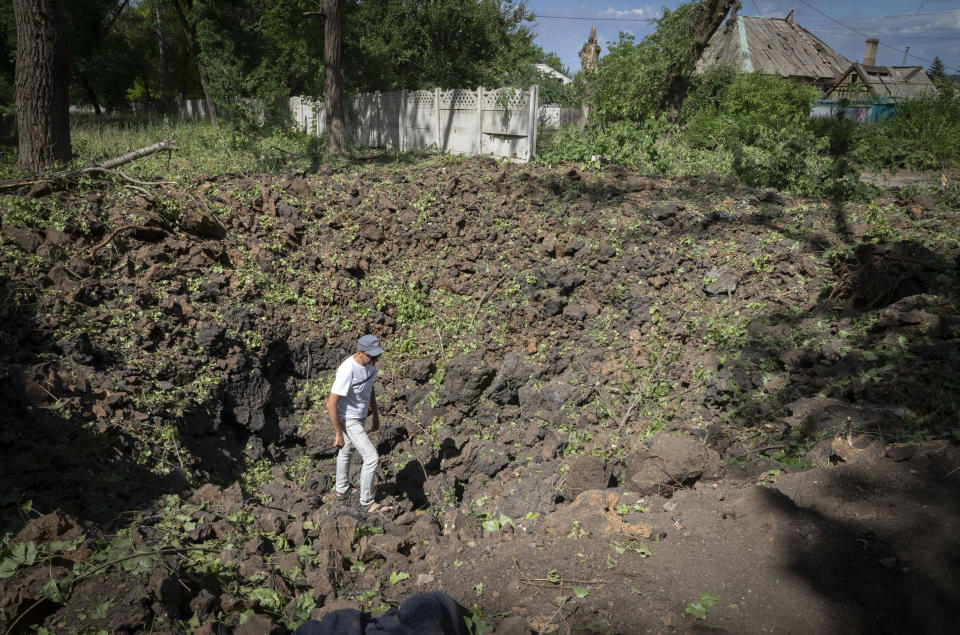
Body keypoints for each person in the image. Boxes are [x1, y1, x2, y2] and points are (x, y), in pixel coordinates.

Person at [327, 334, 393, 514]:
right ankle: (366, 502)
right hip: (348, 419)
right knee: (371, 458)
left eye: (377, 355)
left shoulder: (371, 367)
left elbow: (369, 389)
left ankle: (341, 488)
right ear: (360, 352)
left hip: (361, 416)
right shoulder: (347, 369)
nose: (375, 359)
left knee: (347, 450)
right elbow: (331, 403)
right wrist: (338, 433)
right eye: (371, 356)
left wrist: (375, 415)